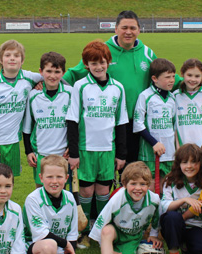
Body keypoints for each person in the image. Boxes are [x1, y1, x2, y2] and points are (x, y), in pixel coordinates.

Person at [63, 10, 181, 164]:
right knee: (107, 170)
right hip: (108, 122)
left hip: (137, 123)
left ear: (139, 30)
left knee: (132, 169)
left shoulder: (146, 53)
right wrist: (42, 82)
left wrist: (193, 84)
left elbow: (164, 74)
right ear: (116, 29)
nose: (128, 32)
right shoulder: (102, 51)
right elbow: (73, 73)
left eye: (132, 28)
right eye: (124, 27)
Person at [66, 40, 128, 248]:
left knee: (103, 191)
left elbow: (121, 123)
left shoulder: (118, 88)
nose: (98, 67)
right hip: (85, 149)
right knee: (86, 192)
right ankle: (84, 230)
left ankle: (100, 228)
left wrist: (121, 154)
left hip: (108, 149)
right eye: (93, 63)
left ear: (108, 62)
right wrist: (74, 153)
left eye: (102, 62)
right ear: (86, 65)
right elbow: (73, 120)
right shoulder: (80, 86)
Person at [89, 161, 162, 254]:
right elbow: (100, 224)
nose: (138, 188)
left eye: (142, 184)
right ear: (124, 185)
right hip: (116, 231)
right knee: (106, 231)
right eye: (133, 184)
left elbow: (157, 218)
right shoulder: (118, 199)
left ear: (148, 185)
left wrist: (154, 235)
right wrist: (110, 253)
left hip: (132, 237)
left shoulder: (154, 200)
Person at [0, 39, 43, 176]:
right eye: (8, 55)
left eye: (16, 55)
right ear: (1, 60)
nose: (12, 58)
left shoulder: (29, 78)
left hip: (13, 143)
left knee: (8, 183)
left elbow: (54, 77)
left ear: (22, 60)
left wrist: (41, 84)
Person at [22, 155, 81, 254]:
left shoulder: (70, 198)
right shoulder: (33, 199)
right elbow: (41, 234)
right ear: (41, 178)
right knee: (49, 246)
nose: (54, 181)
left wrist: (70, 253)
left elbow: (72, 232)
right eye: (49, 177)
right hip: (34, 248)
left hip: (59, 249)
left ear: (66, 178)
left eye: (59, 177)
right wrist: (66, 244)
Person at [159, 144, 202, 254]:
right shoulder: (170, 180)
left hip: (195, 226)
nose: (189, 166)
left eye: (193, 162)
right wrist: (184, 200)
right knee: (173, 217)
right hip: (173, 226)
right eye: (184, 162)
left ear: (200, 163)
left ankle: (185, 250)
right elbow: (164, 206)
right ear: (178, 164)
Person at [23, 52, 71, 188]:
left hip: (63, 154)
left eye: (57, 72)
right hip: (40, 154)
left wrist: (72, 146)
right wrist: (28, 151)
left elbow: (75, 124)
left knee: (61, 190)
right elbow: (27, 126)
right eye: (48, 71)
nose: (52, 76)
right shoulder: (33, 95)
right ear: (41, 72)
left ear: (63, 73)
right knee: (41, 190)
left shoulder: (70, 93)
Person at [133, 58, 177, 192]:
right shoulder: (145, 96)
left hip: (169, 154)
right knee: (150, 189)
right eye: (167, 77)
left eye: (173, 77)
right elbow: (138, 123)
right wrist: (154, 143)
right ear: (154, 78)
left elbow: (174, 127)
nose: (171, 80)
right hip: (150, 155)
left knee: (166, 190)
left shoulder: (172, 98)